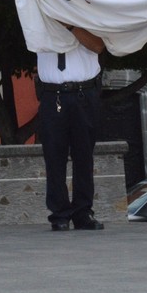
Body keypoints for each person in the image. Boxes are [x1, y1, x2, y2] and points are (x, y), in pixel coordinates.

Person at [33, 23, 107, 231]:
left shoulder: (85, 14)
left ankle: (83, 212)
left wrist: (71, 26)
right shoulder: (40, 16)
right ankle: (59, 213)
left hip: (84, 92)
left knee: (84, 155)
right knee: (53, 156)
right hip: (52, 93)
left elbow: (98, 46)